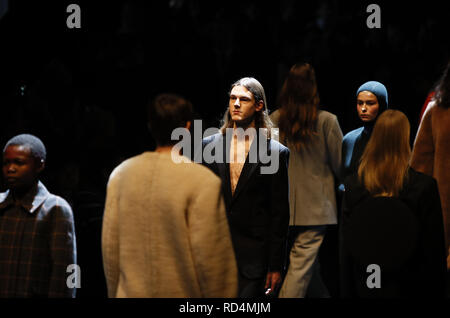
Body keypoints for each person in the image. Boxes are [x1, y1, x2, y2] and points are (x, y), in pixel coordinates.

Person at [102, 93, 238, 298]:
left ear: (150, 126)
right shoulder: (202, 182)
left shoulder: (120, 176)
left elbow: (111, 251)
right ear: (187, 128)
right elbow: (213, 264)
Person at [340, 110, 447, 298]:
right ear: (406, 139)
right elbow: (433, 252)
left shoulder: (354, 186)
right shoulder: (424, 187)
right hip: (411, 286)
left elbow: (346, 249)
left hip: (366, 285)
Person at [201, 77, 290, 297]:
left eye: (244, 99)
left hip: (254, 259)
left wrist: (275, 265)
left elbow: (279, 214)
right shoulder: (207, 146)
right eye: (232, 98)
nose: (236, 104)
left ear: (259, 105)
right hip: (213, 255)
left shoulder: (275, 152)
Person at [270, 63, 343, 298]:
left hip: (283, 206)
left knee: (310, 270)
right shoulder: (327, 122)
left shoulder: (273, 120)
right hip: (316, 208)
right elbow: (340, 165)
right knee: (301, 269)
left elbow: (267, 166)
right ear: (313, 88)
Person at [0, 134, 77, 298]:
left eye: (19, 163)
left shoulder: (55, 209)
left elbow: (69, 268)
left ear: (39, 165)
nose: (10, 168)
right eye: (6, 163)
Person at [411, 61, 450, 272]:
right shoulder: (436, 109)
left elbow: (418, 165)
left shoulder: (436, 109)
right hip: (440, 208)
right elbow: (419, 165)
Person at [341, 81, 388, 187]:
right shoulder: (349, 139)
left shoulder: (391, 139)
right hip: (353, 201)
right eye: (360, 103)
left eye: (370, 103)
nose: (363, 108)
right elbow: (343, 176)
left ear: (382, 105)